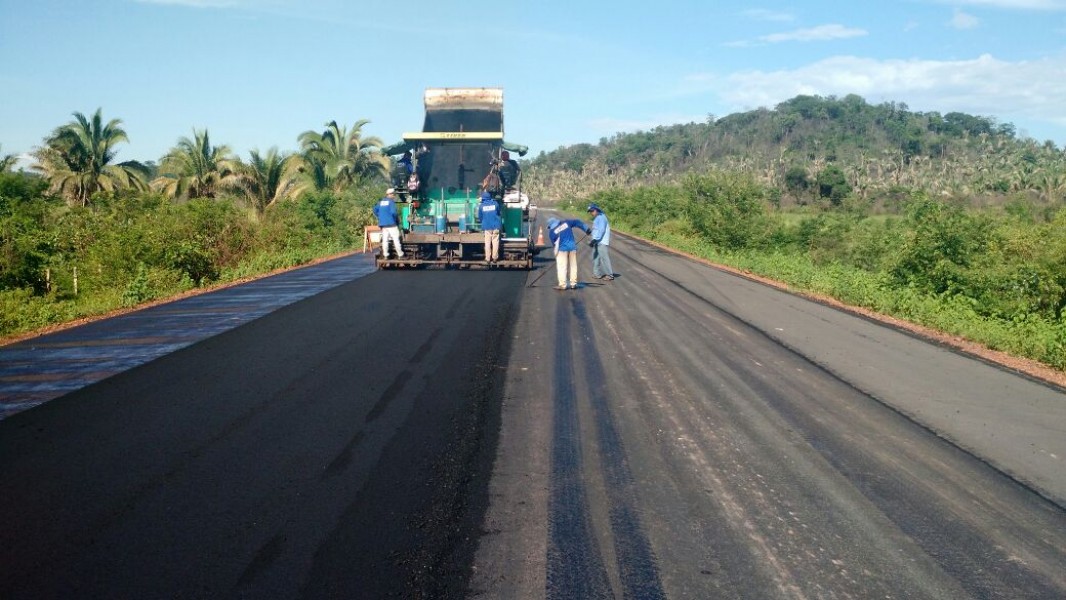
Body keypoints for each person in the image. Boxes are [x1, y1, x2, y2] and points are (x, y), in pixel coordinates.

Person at [546, 216, 591, 290]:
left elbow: (554, 244)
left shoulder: (552, 232)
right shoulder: (566, 222)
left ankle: (562, 285)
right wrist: (586, 229)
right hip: (572, 248)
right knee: (573, 266)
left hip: (562, 250)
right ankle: (573, 284)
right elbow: (577, 222)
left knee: (562, 267)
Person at [374, 188, 404, 259]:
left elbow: (375, 209)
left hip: (383, 225)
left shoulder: (381, 202)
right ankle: (400, 255)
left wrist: (380, 216)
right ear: (390, 195)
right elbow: (393, 212)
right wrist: (396, 219)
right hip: (391, 224)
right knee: (396, 239)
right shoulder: (391, 202)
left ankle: (386, 255)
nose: (394, 196)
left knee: (385, 240)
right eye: (393, 194)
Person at [587, 203, 614, 280]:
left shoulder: (601, 217)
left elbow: (601, 231)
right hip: (597, 241)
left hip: (601, 242)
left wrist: (595, 239)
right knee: (595, 258)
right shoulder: (597, 217)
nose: (591, 213)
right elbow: (596, 230)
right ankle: (597, 274)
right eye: (590, 211)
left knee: (604, 258)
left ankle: (609, 275)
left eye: (592, 211)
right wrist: (591, 233)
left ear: (596, 209)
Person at [477, 191, 502, 264]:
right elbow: (498, 212)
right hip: (496, 226)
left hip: (487, 226)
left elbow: (480, 217)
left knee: (487, 243)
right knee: (495, 242)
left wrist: (484, 222)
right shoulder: (495, 203)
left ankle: (488, 259)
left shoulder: (481, 206)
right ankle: (495, 258)